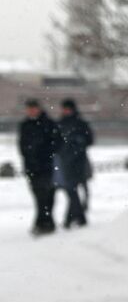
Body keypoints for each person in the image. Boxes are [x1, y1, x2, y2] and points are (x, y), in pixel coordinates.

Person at [18, 98, 63, 236]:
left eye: (33, 108)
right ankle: (43, 221)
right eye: (29, 108)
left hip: (46, 166)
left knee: (47, 194)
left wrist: (44, 153)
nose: (31, 111)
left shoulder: (49, 124)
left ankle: (45, 222)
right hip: (32, 167)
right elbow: (22, 146)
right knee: (39, 195)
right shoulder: (25, 125)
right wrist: (29, 158)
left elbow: (57, 143)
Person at [55, 98, 94, 228]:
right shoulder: (60, 124)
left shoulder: (80, 124)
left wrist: (78, 143)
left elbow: (89, 140)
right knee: (72, 191)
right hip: (65, 162)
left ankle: (74, 218)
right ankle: (77, 217)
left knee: (75, 191)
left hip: (79, 162)